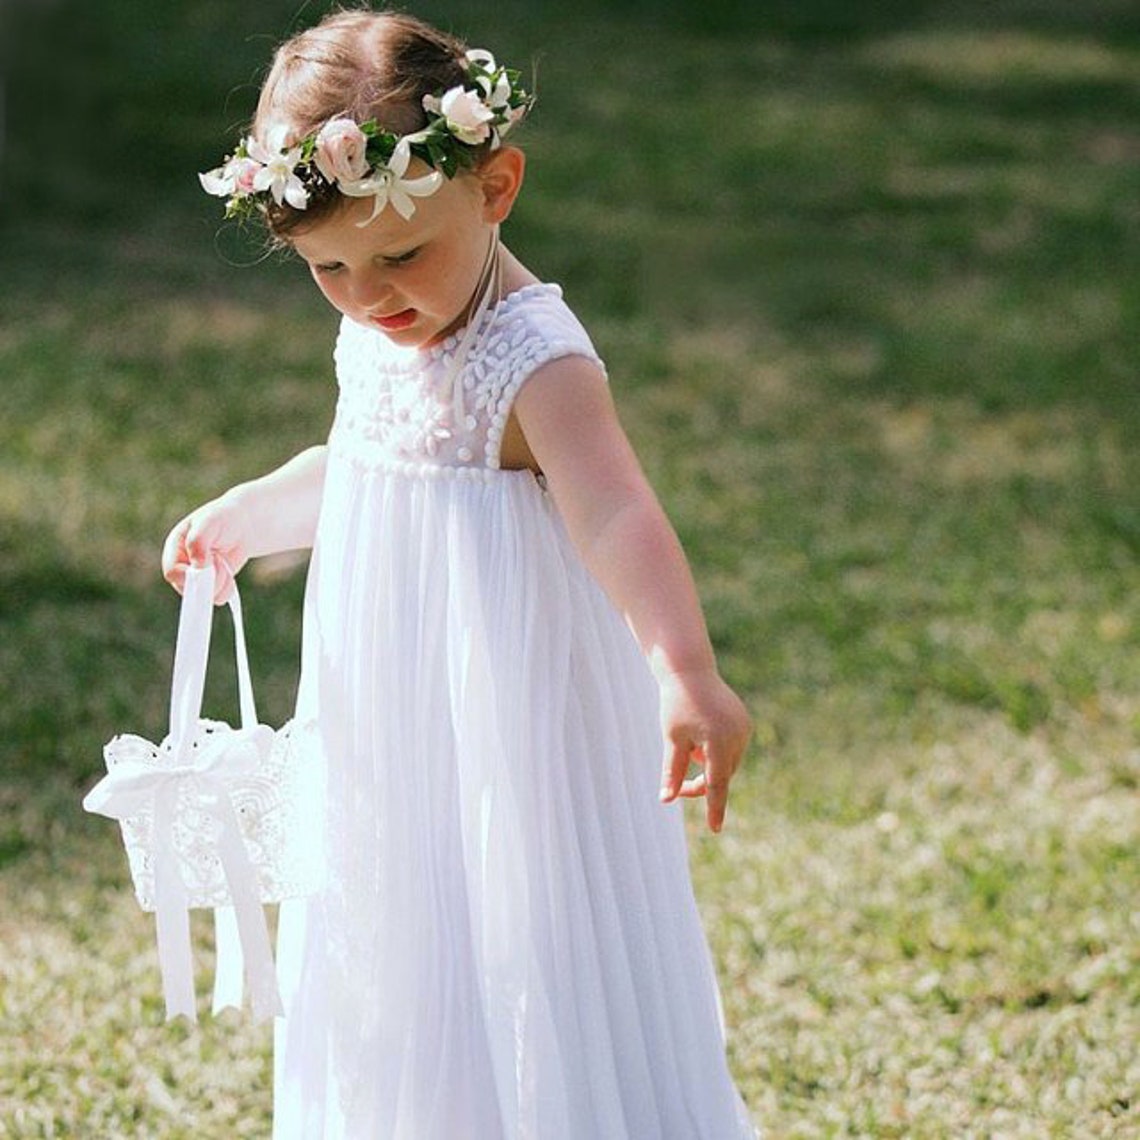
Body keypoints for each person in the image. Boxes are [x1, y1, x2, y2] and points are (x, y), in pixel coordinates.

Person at [162, 9, 756, 1137]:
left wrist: (684, 667)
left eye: (397, 255)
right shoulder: (382, 327)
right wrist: (253, 515)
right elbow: (372, 461)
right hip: (395, 710)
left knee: (522, 919)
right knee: (404, 921)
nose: (367, 292)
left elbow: (618, 509)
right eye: (328, 266)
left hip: (512, 712)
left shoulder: (537, 358)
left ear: (495, 187)